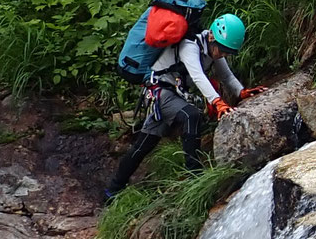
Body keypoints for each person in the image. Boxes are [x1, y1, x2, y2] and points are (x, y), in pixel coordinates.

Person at [104, 12, 256, 201]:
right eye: (222, 50)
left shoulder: (214, 48)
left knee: (143, 145)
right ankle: (194, 174)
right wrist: (216, 102)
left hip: (172, 94)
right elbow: (198, 76)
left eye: (228, 52)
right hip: (160, 91)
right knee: (191, 116)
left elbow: (227, 76)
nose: (223, 54)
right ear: (211, 36)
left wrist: (242, 92)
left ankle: (112, 189)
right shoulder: (189, 46)